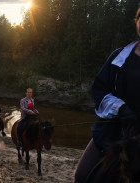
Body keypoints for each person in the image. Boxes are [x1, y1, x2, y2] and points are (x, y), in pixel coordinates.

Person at [74, 7, 140, 183]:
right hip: (113, 130)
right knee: (82, 176)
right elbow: (99, 90)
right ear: (137, 23)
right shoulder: (118, 56)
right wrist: (121, 109)